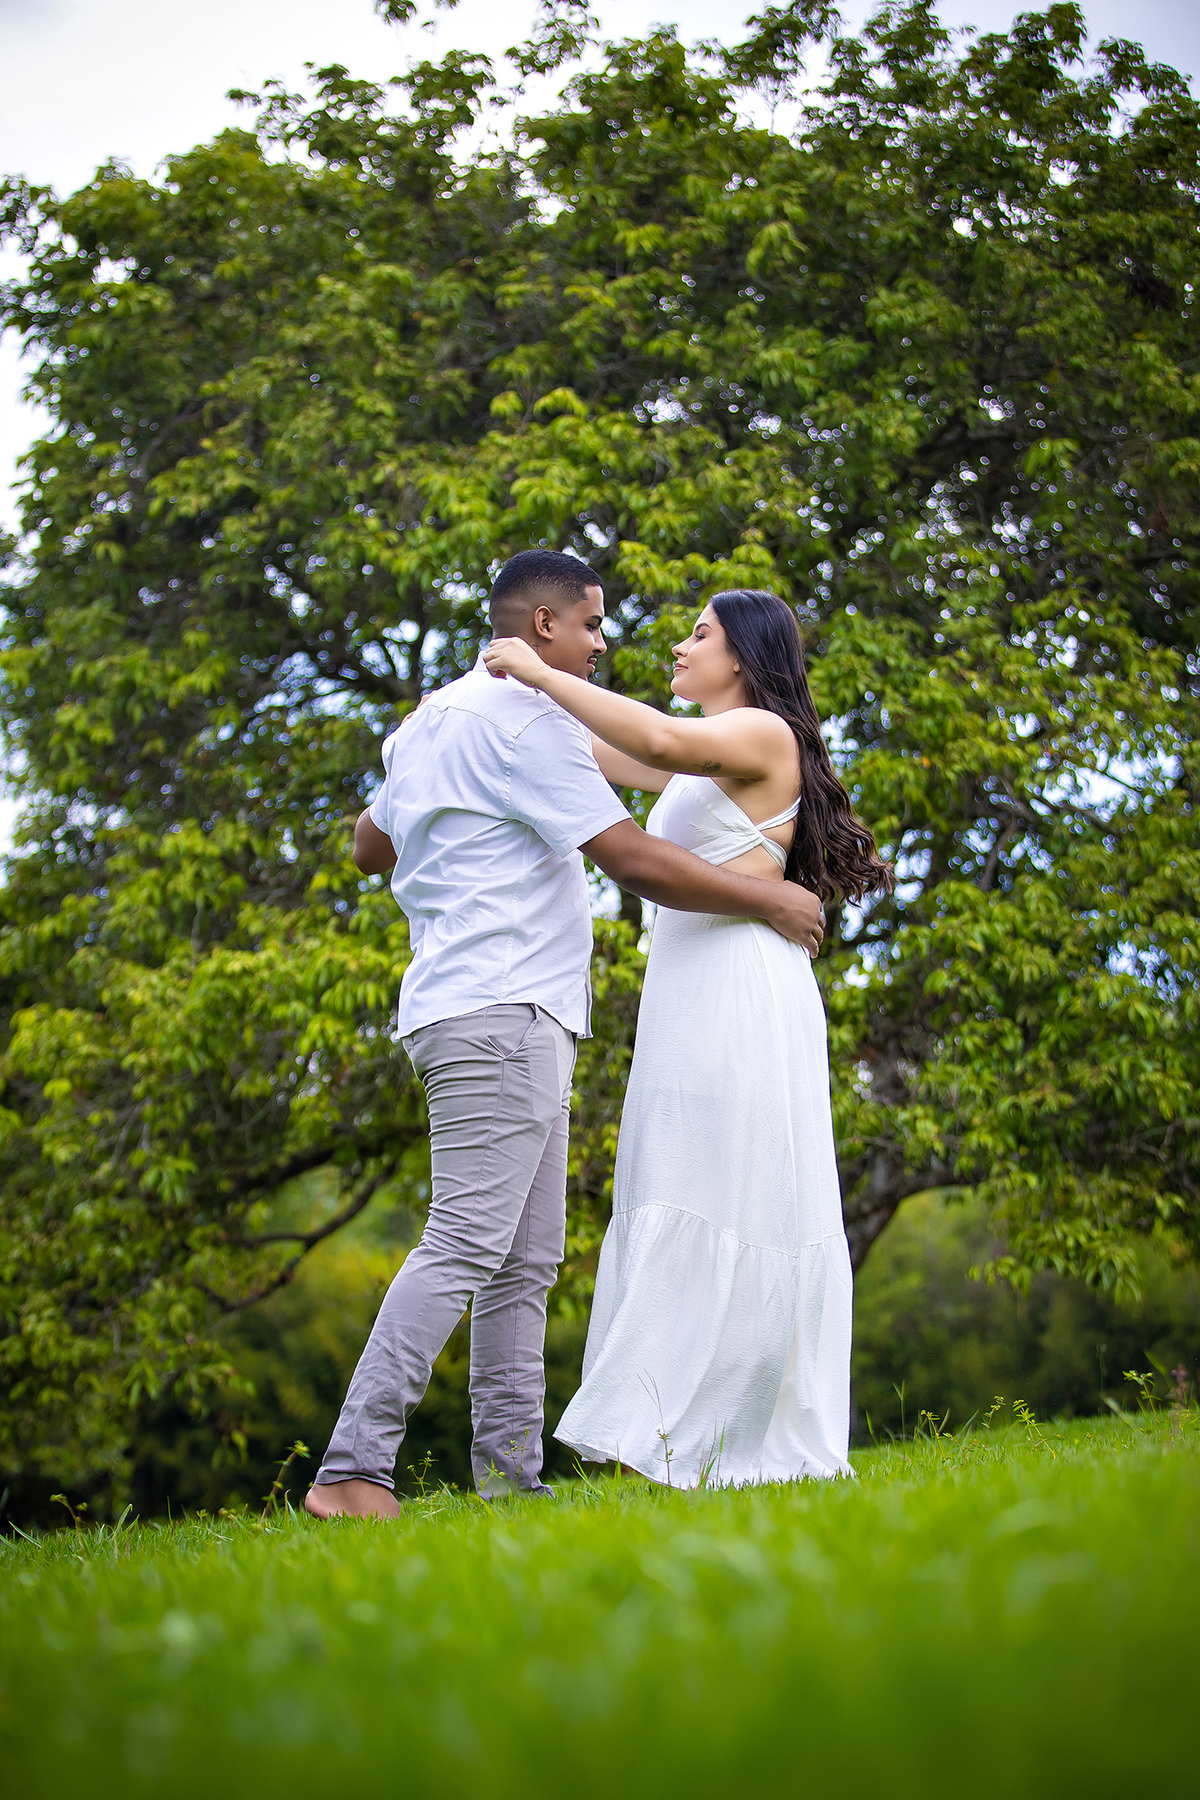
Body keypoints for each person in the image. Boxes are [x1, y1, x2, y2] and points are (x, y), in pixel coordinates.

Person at [305, 554, 824, 1518]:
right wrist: (770, 898)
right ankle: (352, 1469)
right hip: (505, 1003)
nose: (604, 644)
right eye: (591, 626)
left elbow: (370, 846)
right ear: (544, 627)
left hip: (472, 1002)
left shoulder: (435, 720)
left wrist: (423, 760)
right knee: (468, 1238)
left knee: (525, 1259)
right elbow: (629, 855)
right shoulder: (530, 719)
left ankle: (511, 1481)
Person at [483, 589, 892, 1487]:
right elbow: (593, 750)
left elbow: (659, 740)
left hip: (740, 989)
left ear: (740, 655)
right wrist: (483, 704)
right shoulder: (707, 759)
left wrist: (540, 669)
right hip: (691, 991)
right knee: (678, 1184)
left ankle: (713, 1434)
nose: (678, 645)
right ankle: (671, 1432)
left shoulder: (763, 735)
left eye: (698, 634)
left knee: (727, 1195)